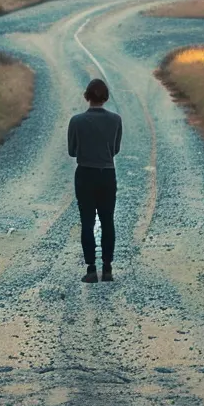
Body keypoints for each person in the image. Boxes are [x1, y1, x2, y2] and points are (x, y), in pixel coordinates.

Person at [67, 78, 121, 283]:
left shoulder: (76, 121)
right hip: (107, 174)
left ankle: (91, 269)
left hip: (85, 175)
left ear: (87, 96)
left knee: (87, 222)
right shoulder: (116, 120)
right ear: (106, 98)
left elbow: (72, 152)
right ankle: (107, 269)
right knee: (108, 221)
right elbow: (115, 149)